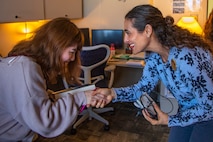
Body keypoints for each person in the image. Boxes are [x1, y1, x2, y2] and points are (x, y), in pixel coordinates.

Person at [94, 4, 213, 142]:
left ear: (148, 30)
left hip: (209, 114)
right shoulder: (153, 56)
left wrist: (170, 119)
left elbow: (209, 106)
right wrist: (112, 93)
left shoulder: (186, 58)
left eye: (128, 32)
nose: (125, 39)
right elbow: (143, 88)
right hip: (187, 111)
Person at [0, 17, 101, 141]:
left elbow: (25, 100)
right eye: (72, 51)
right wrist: (82, 97)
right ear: (57, 45)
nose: (73, 58)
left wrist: (47, 96)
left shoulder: (22, 61)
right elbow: (45, 122)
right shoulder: (26, 68)